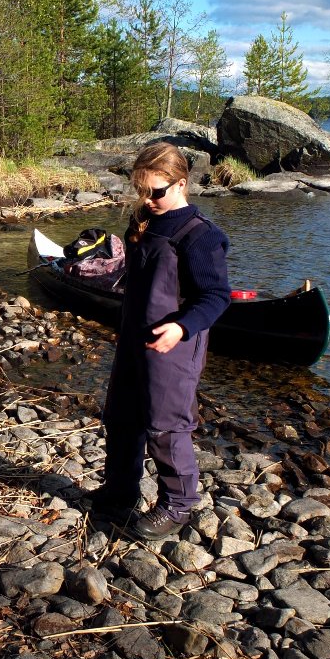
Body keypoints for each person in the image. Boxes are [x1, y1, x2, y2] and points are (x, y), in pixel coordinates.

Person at [89, 142, 231, 539]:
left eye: (155, 191)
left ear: (181, 184)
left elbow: (216, 297)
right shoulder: (144, 223)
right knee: (122, 418)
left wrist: (182, 327)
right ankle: (121, 491)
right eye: (141, 191)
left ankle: (178, 505)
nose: (147, 200)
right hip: (134, 339)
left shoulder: (200, 236)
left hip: (175, 348)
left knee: (167, 427)